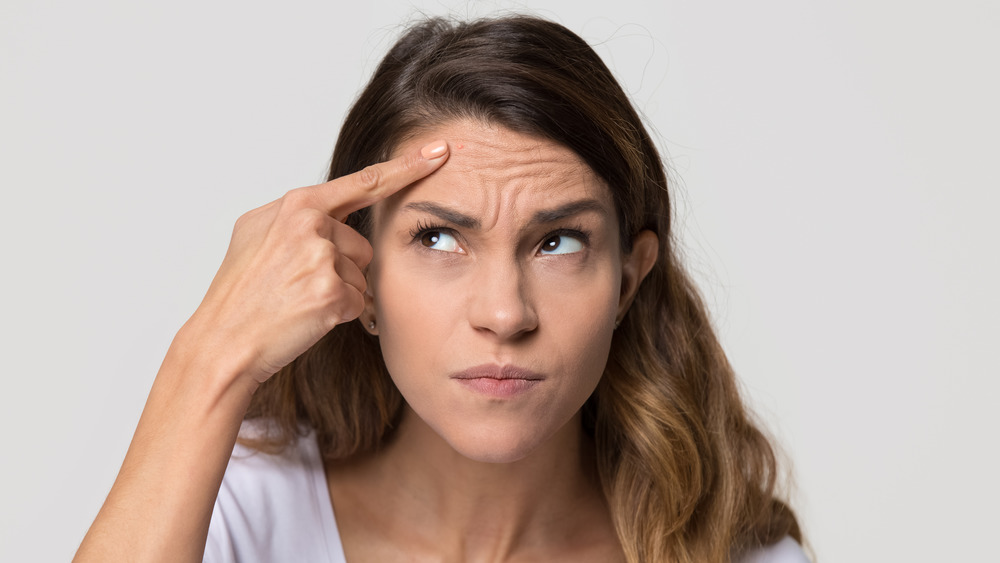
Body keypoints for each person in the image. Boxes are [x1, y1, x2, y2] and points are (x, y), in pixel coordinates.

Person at [75, 15, 808, 563]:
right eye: (439, 237)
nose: (504, 313)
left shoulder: (737, 554)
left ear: (627, 281)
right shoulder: (236, 510)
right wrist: (212, 353)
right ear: (358, 277)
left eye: (558, 241)